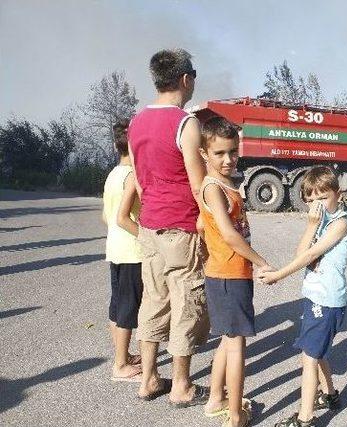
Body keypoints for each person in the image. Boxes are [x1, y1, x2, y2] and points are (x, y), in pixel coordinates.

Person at [127, 48, 209, 406]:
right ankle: (181, 385)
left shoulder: (135, 122)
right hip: (181, 227)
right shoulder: (185, 123)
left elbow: (141, 183)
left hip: (149, 226)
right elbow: (197, 183)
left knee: (154, 300)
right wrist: (210, 220)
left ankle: (148, 379)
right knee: (186, 301)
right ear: (185, 79)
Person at [258, 166, 347, 427]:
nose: (316, 205)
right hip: (314, 297)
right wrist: (311, 225)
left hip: (327, 300)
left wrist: (279, 275)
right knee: (317, 351)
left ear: (338, 194)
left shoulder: (341, 224)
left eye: (322, 198)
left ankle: (305, 418)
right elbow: (302, 252)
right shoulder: (319, 223)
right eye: (310, 200)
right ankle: (330, 394)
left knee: (308, 357)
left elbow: (310, 256)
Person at [199, 116, 272, 427]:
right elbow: (229, 234)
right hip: (229, 276)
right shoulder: (214, 187)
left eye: (233, 152)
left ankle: (216, 398)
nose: (228, 159)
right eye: (219, 154)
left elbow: (204, 224)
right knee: (238, 344)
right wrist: (261, 262)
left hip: (229, 273)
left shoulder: (225, 183)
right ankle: (234, 416)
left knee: (228, 340)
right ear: (204, 154)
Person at [102, 118, 143, 382]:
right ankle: (120, 365)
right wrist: (147, 238)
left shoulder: (113, 174)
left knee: (118, 304)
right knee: (129, 307)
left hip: (115, 248)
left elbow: (105, 217)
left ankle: (123, 354)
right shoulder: (131, 176)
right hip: (132, 251)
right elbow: (121, 217)